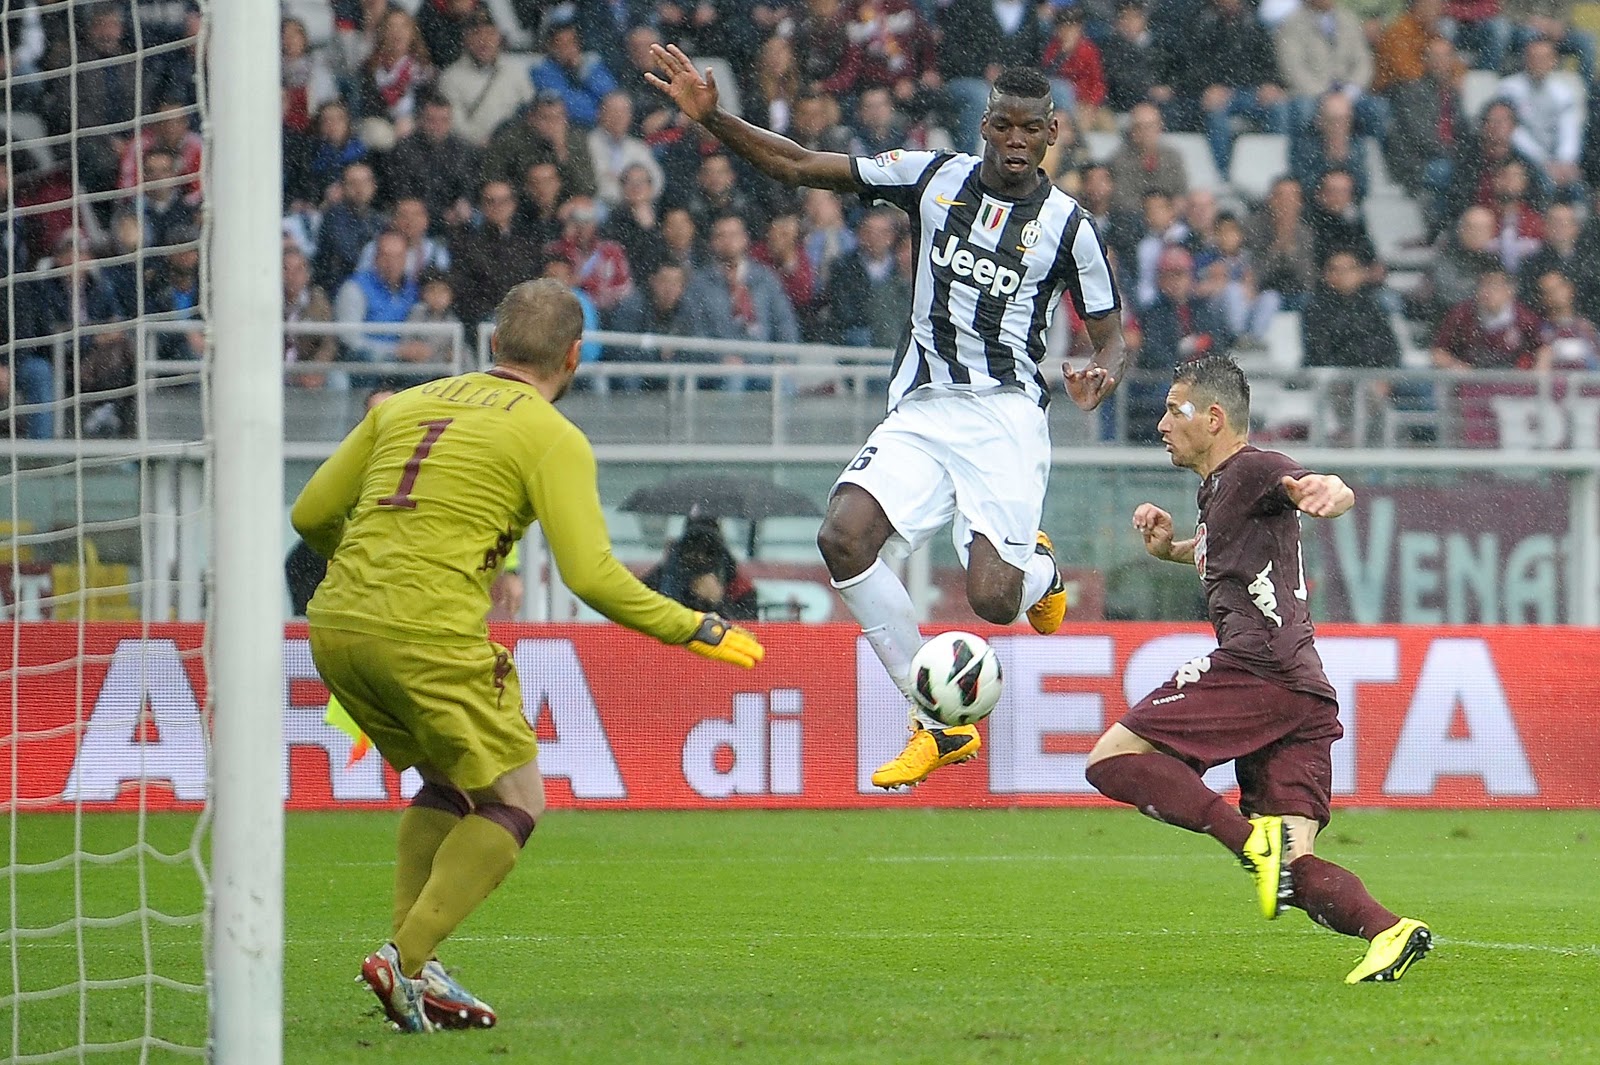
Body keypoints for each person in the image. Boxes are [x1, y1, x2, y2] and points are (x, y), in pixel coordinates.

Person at [292, 279, 764, 1033]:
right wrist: (692, 626)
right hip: (427, 633)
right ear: (575, 357)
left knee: (446, 781)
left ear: (493, 343)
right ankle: (403, 958)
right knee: (516, 799)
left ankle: (417, 970)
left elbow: (312, 511)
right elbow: (591, 575)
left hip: (335, 626)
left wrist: (368, 567)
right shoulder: (551, 434)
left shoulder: (403, 405)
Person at [648, 48, 1128, 789]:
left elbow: (1111, 336)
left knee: (994, 600)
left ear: (1052, 133)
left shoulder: (1071, 228)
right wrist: (715, 119)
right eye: (1003, 125)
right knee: (842, 536)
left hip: (1004, 416)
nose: (1015, 140)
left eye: (1030, 129)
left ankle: (1041, 571)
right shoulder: (931, 178)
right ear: (984, 125)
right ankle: (937, 724)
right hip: (922, 407)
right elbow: (800, 165)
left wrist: (1102, 372)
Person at [1086, 356, 1433, 985]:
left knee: (1110, 760)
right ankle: (1388, 931)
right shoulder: (1221, 492)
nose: (1162, 424)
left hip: (1258, 668)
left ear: (1214, 418)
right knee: (1295, 869)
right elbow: (1233, 550)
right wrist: (1172, 550)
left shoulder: (1250, 469)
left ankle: (1246, 839)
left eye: (1173, 410)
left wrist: (1329, 490)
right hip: (1302, 691)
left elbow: (1305, 484)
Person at [642, 516, 760, 620]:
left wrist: (718, 601)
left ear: (720, 553)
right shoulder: (661, 578)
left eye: (709, 552)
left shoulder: (738, 587)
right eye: (691, 550)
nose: (700, 558)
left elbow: (748, 629)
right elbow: (641, 618)